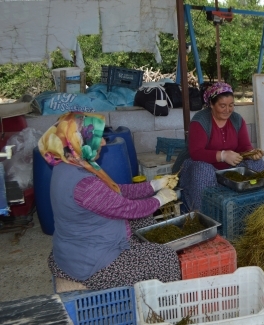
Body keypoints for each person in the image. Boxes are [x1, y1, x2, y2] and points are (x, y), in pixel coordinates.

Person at [40, 112, 181, 290]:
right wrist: (159, 200)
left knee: (144, 222)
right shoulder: (84, 183)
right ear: (79, 141)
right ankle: (166, 311)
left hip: (76, 248)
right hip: (92, 264)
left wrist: (154, 185)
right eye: (97, 138)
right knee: (165, 257)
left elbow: (116, 191)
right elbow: (128, 209)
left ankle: (140, 264)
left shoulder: (69, 163)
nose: (104, 143)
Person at [173, 82, 264, 210]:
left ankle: (254, 208)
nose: (227, 110)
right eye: (222, 106)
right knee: (204, 171)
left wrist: (252, 153)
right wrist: (222, 155)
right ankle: (204, 214)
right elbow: (196, 152)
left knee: (257, 164)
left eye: (231, 105)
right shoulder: (200, 121)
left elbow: (244, 146)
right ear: (211, 104)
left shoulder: (237, 119)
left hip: (228, 168)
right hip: (197, 166)